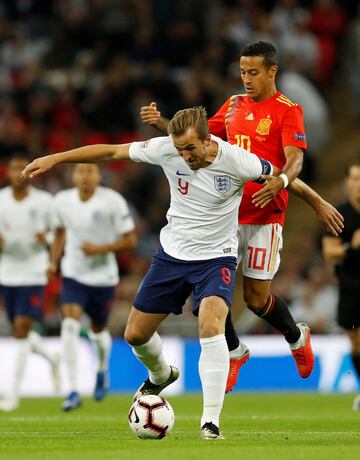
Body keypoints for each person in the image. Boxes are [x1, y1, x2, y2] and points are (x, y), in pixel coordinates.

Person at [22, 106, 275, 439]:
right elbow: (111, 151)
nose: (184, 156)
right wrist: (56, 158)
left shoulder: (238, 160)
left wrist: (314, 202)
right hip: (172, 256)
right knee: (135, 335)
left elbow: (281, 177)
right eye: (179, 148)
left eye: (190, 148)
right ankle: (161, 375)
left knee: (211, 324)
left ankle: (210, 422)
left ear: (207, 139)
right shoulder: (166, 149)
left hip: (217, 257)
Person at [139, 41, 344, 392]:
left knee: (255, 299)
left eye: (253, 72)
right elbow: (196, 138)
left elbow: (294, 160)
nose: (246, 79)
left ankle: (296, 338)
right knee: (205, 291)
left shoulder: (287, 110)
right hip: (226, 213)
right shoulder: (233, 105)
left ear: (271, 71)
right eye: (242, 72)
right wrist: (161, 121)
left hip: (267, 216)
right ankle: (234, 350)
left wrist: (284, 183)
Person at [48, 163, 137, 411]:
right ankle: (73, 389)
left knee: (98, 331)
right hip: (73, 274)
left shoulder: (112, 201)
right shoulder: (62, 201)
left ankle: (101, 370)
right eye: (80, 171)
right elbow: (58, 233)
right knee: (69, 323)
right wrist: (53, 262)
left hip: (103, 278)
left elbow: (130, 240)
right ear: (72, 176)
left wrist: (99, 249)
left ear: (99, 176)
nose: (85, 176)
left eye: (90, 171)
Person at [0, 155, 60, 412]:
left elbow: (58, 232)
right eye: (13, 169)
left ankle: (12, 393)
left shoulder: (44, 202)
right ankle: (52, 357)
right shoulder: (1, 200)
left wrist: (47, 246)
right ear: (8, 173)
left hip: (34, 272)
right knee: (18, 330)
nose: (18, 173)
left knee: (23, 328)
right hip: (8, 272)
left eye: (21, 168)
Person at [322, 157, 360, 411]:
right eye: (356, 179)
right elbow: (329, 252)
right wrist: (351, 246)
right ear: (347, 182)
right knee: (356, 343)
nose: (359, 184)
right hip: (350, 287)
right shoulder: (340, 215)